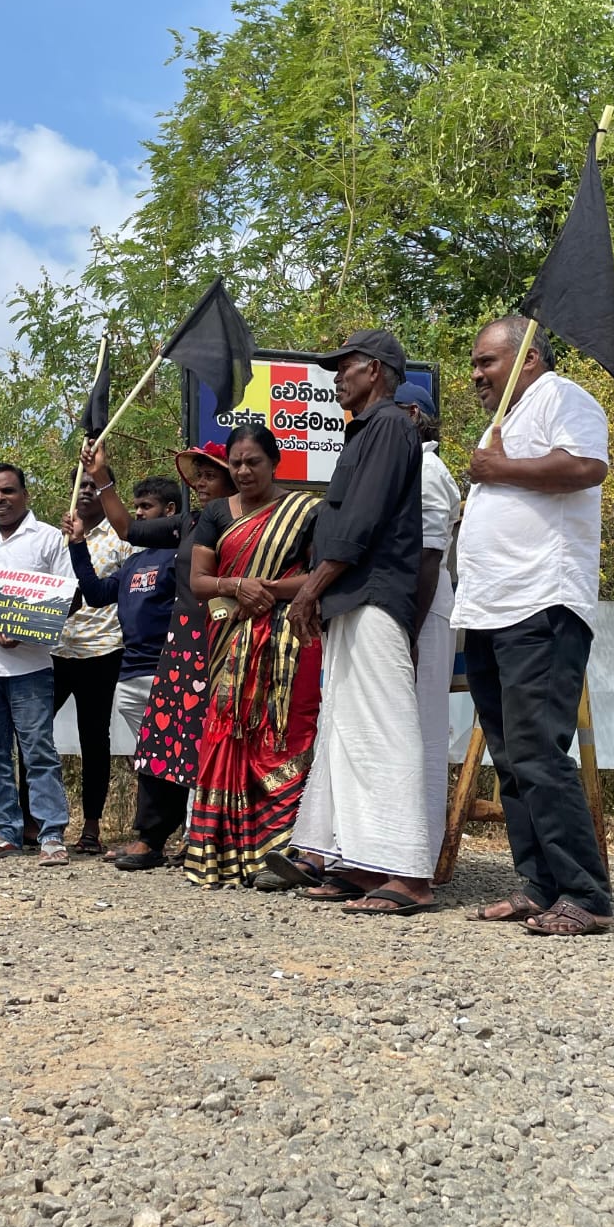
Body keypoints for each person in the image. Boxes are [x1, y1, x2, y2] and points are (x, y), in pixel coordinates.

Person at [455, 315, 613, 935]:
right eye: (474, 364)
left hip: (540, 603)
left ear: (527, 357)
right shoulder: (508, 418)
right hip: (491, 610)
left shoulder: (561, 396)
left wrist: (499, 471)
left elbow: (586, 466)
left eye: (486, 362)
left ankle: (585, 895)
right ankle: (539, 886)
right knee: (511, 756)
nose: (476, 375)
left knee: (538, 751)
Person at [283, 330, 437, 915]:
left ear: (374, 370)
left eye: (344, 367)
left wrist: (310, 589)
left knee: (384, 727)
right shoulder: (368, 430)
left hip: (373, 593)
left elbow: (362, 522)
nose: (336, 378)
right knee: (346, 728)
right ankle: (361, 860)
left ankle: (408, 873)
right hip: (351, 596)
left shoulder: (392, 426)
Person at [79, 439, 235, 871]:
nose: (201, 483)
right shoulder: (188, 524)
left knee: (213, 744)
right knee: (161, 742)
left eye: (210, 475)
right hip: (184, 644)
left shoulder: (252, 522)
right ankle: (151, 838)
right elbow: (127, 529)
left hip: (231, 639)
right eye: (198, 475)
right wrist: (101, 476)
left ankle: (207, 838)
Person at [187, 424, 321, 888]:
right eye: (237, 463)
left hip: (288, 638)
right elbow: (199, 581)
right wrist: (236, 585)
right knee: (228, 730)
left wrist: (265, 591)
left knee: (283, 729)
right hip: (229, 636)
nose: (244, 471)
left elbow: (319, 575)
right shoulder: (215, 513)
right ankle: (225, 852)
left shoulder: (305, 511)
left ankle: (281, 850)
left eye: (253, 462)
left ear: (275, 462)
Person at [0, 463, 74, 865]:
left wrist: (24, 630)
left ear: (25, 494)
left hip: (31, 666)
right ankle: (5, 831)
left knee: (38, 751)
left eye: (7, 491)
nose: (0, 499)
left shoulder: (49, 539)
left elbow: (67, 599)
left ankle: (51, 834)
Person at [63, 476, 179, 859]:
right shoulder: (133, 562)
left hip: (169, 670)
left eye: (146, 507)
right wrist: (77, 544)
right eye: (137, 507)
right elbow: (96, 594)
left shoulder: (184, 556)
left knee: (179, 756)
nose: (139, 514)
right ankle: (152, 837)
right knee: (149, 759)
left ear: (170, 511)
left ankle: (184, 836)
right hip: (130, 673)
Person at [20, 468, 133, 855]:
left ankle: (91, 828)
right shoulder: (55, 539)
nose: (85, 491)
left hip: (102, 650)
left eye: (92, 485)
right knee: (33, 735)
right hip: (54, 651)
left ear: (106, 491)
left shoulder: (122, 538)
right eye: (79, 485)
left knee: (94, 740)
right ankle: (30, 822)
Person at [395, 381, 461, 867]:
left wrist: (411, 630)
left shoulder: (429, 471)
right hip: (401, 610)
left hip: (423, 609)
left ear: (413, 415)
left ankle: (422, 853)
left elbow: (428, 556)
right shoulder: (400, 470)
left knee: (424, 732)